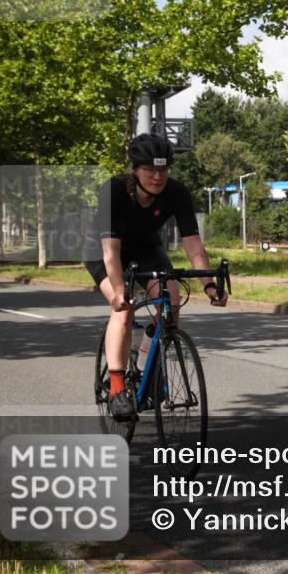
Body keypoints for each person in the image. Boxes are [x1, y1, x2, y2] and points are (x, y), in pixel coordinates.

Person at [84, 134, 227, 420]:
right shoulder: (113, 190)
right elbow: (111, 255)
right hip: (105, 251)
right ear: (135, 170)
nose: (157, 176)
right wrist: (119, 291)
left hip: (148, 249)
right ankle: (116, 388)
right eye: (150, 169)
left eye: (163, 169)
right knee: (122, 310)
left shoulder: (176, 192)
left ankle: (148, 358)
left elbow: (194, 245)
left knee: (171, 303)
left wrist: (209, 285)